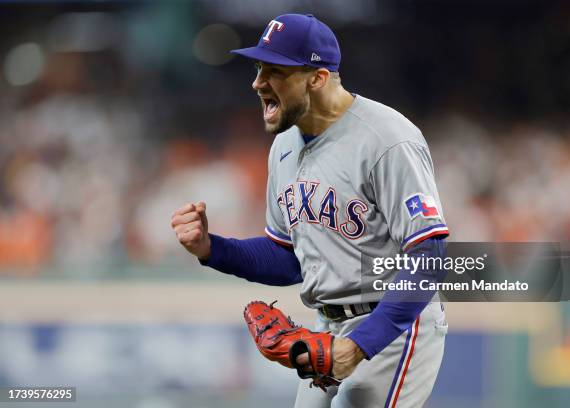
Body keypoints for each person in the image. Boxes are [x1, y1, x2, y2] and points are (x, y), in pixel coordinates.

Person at [171, 13, 449, 408]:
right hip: (327, 326)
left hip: (392, 325)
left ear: (317, 78)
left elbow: (429, 256)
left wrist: (360, 344)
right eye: (258, 68)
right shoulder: (284, 146)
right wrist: (210, 248)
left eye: (275, 71)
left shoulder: (387, 139)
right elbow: (287, 258)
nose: (258, 82)